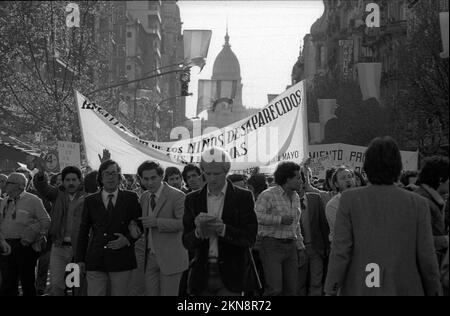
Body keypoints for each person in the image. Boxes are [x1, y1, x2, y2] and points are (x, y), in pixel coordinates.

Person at [325, 136, 442, 296]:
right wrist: (435, 290)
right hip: (404, 287)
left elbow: (341, 251)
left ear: (367, 168)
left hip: (362, 286)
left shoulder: (349, 200)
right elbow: (426, 255)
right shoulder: (418, 203)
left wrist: (330, 288)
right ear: (398, 167)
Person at [183, 147, 258, 296]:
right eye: (207, 173)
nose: (211, 178)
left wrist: (222, 229)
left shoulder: (243, 197)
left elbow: (250, 238)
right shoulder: (192, 199)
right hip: (202, 274)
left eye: (217, 174)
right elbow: (186, 241)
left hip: (233, 274)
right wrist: (198, 232)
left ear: (226, 172)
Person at [75, 160, 143, 296]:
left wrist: (127, 240)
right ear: (100, 177)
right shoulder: (90, 200)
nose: (111, 177)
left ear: (119, 177)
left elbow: (140, 225)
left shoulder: (130, 198)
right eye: (107, 174)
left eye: (114, 173)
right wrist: (80, 259)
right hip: (96, 258)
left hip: (122, 258)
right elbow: (83, 232)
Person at [33, 163, 86, 296]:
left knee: (74, 286)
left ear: (80, 181)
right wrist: (40, 176)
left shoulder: (87, 197)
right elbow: (43, 188)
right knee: (56, 286)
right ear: (63, 182)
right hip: (59, 248)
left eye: (74, 180)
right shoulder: (57, 194)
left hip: (77, 250)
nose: (71, 183)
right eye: (67, 180)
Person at [137, 161, 188, 296]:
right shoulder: (144, 197)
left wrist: (157, 222)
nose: (150, 182)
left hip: (172, 258)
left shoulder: (177, 196)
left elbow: (184, 223)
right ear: (141, 179)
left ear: (161, 176)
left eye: (153, 178)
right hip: (150, 258)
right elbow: (144, 225)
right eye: (146, 179)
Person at [255, 161, 305, 296]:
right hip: (271, 245)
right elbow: (257, 217)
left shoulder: (295, 197)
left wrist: (300, 247)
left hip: (291, 247)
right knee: (275, 290)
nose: (301, 181)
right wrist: (280, 219)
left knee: (291, 290)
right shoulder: (268, 195)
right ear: (288, 179)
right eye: (298, 178)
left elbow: (296, 224)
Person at [0, 173, 51, 296]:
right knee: (8, 284)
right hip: (6, 246)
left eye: (9, 183)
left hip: (25, 247)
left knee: (27, 282)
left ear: (20, 186)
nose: (5, 184)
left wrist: (32, 234)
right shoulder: (5, 201)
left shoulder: (33, 200)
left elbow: (45, 221)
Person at [298, 167, 330, 296]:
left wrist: (326, 247)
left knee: (316, 283)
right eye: (296, 178)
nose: (299, 182)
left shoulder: (315, 198)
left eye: (301, 178)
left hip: (316, 248)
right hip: (298, 250)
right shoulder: (285, 202)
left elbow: (323, 224)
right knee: (299, 285)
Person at [414, 156, 449, 265]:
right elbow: (419, 240)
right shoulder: (422, 202)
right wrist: (446, 240)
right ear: (440, 179)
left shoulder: (433, 200)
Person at [325, 166, 356, 243]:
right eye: (343, 178)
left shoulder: (362, 199)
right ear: (336, 184)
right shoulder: (332, 205)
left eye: (350, 176)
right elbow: (343, 230)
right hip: (342, 246)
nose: (348, 180)